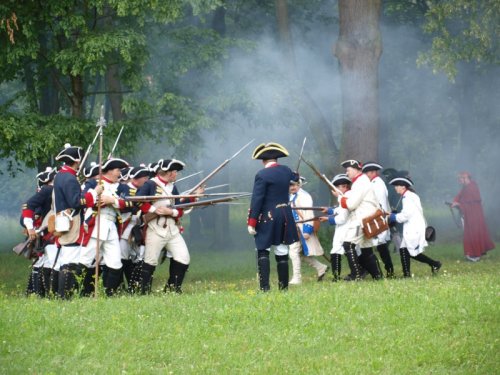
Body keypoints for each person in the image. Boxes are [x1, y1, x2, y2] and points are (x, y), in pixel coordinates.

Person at [137, 159, 202, 294]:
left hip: (172, 229)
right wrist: (155, 210)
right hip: (155, 228)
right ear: (169, 172)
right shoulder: (150, 184)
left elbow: (179, 209)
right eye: (175, 172)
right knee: (150, 261)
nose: (176, 174)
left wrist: (170, 212)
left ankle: (172, 289)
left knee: (183, 258)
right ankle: (143, 292)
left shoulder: (173, 187)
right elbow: (138, 202)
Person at [52, 144, 105, 299]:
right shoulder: (69, 178)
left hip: (65, 219)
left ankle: (64, 296)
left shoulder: (61, 175)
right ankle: (65, 297)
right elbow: (76, 202)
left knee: (67, 259)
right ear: (76, 161)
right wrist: (94, 193)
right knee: (70, 260)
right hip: (71, 222)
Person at [247, 142, 299, 291]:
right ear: (277, 158)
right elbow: (295, 176)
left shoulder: (262, 174)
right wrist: (295, 174)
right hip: (285, 214)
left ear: (263, 160)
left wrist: (252, 221)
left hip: (268, 216)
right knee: (282, 250)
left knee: (263, 249)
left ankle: (265, 289)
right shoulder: (286, 170)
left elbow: (257, 200)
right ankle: (283, 288)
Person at [79, 158, 130, 296]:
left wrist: (112, 200)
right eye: (118, 170)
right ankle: (72, 292)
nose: (120, 173)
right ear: (110, 171)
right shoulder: (93, 183)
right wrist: (99, 198)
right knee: (84, 260)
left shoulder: (122, 187)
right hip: (96, 223)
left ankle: (110, 294)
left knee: (115, 263)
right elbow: (85, 200)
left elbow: (130, 204)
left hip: (111, 225)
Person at [333, 159, 382, 280]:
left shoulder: (360, 183)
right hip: (366, 219)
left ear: (356, 169)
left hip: (362, 219)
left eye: (348, 170)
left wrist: (339, 197)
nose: (347, 172)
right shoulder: (361, 182)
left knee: (348, 245)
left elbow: (351, 205)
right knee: (366, 250)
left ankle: (356, 274)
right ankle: (378, 276)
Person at [388, 176, 442, 277]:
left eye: (397, 186)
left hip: (414, 228)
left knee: (409, 251)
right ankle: (433, 264)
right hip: (413, 227)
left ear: (403, 187)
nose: (395, 188)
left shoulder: (408, 197)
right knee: (405, 250)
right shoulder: (407, 196)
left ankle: (433, 264)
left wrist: (393, 217)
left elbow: (406, 215)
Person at [21, 167, 58, 296]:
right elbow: (28, 208)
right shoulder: (48, 191)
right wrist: (30, 227)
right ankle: (44, 294)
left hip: (49, 232)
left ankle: (39, 294)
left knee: (45, 263)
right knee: (48, 263)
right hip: (47, 233)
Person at [288, 177, 328, 285]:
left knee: (293, 252)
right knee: (300, 254)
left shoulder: (304, 196)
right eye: (290, 185)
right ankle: (321, 268)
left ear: (299, 184)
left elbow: (309, 214)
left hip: (302, 227)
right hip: (295, 228)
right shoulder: (291, 196)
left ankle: (297, 278)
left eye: (295, 185)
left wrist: (307, 230)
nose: (292, 187)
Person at [452, 172, 495, 262]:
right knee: (471, 233)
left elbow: (470, 202)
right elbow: (459, 196)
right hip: (470, 214)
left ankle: (475, 254)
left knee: (473, 233)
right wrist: (455, 202)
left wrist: (459, 204)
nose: (460, 181)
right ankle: (474, 253)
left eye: (461, 179)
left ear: (466, 178)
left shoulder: (472, 187)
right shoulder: (465, 188)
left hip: (474, 215)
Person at [362, 162, 394, 277]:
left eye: (367, 173)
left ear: (372, 172)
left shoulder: (377, 184)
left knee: (375, 246)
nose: (365, 175)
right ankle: (386, 270)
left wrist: (379, 219)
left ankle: (378, 271)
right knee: (381, 247)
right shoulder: (374, 183)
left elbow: (381, 204)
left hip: (378, 219)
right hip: (377, 218)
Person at [319, 173, 352, 281]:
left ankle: (337, 277)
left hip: (346, 228)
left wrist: (328, 219)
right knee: (349, 251)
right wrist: (329, 210)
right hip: (346, 227)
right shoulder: (345, 196)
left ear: (344, 186)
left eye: (337, 187)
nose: (335, 190)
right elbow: (340, 210)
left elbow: (342, 218)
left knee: (337, 250)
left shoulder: (345, 196)